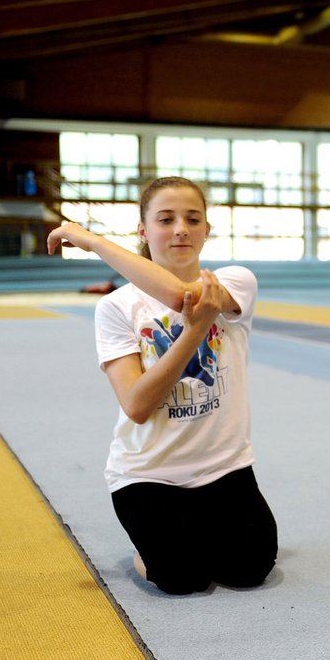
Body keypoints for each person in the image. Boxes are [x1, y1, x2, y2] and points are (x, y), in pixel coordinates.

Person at [47, 176, 278, 596]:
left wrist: (94, 242)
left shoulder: (235, 281)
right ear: (142, 231)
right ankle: (149, 545)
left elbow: (180, 297)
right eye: (165, 219)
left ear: (207, 230)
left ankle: (191, 530)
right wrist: (193, 333)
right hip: (149, 474)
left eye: (193, 219)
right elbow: (136, 405)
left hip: (223, 468)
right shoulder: (117, 307)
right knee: (181, 578)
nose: (180, 229)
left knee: (250, 568)